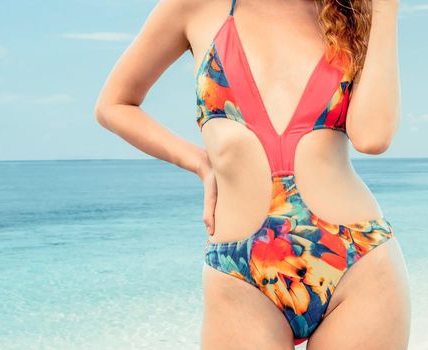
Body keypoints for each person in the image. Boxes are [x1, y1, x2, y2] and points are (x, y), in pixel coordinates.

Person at [93, 0, 409, 348]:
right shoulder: (194, 6)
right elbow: (114, 104)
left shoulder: (353, 11)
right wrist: (200, 163)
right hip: (238, 270)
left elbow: (372, 138)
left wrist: (385, 9)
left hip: (357, 260)